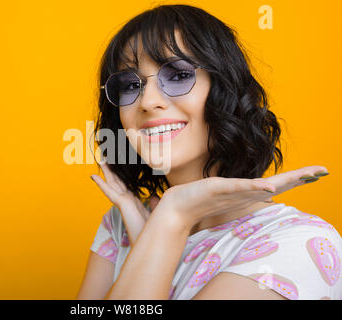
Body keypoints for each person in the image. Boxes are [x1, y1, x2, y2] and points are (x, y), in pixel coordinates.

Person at [76, 4, 342, 300]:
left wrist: (171, 216)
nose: (147, 102)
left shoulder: (301, 243)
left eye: (177, 75)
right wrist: (149, 231)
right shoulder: (120, 224)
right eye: (129, 84)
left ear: (224, 90)